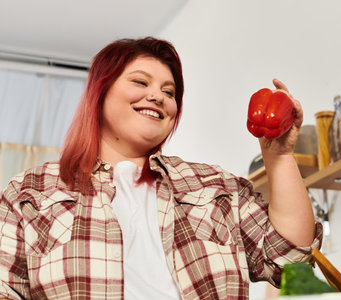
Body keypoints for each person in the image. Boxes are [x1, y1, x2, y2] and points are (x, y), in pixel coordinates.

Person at [0, 37, 322, 300]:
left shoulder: (215, 186)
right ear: (100, 93)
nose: (157, 96)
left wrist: (279, 157)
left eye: (169, 92)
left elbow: (289, 258)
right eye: (141, 82)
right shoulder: (30, 193)